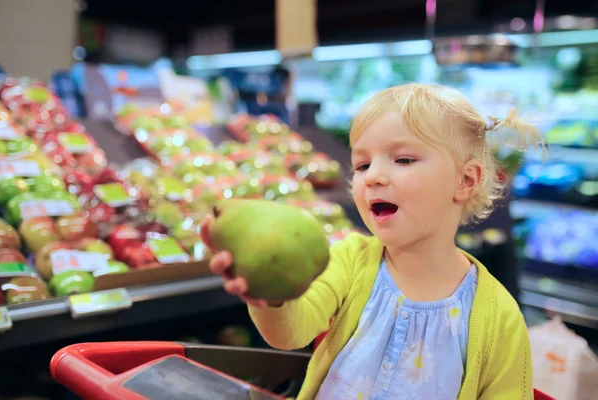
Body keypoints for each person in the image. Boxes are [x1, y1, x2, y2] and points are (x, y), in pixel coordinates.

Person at [200, 83, 542, 399]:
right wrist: (270, 295)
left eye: (403, 159)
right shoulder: (350, 260)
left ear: (465, 180)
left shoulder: (500, 318)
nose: (373, 177)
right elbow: (290, 334)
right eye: (362, 164)